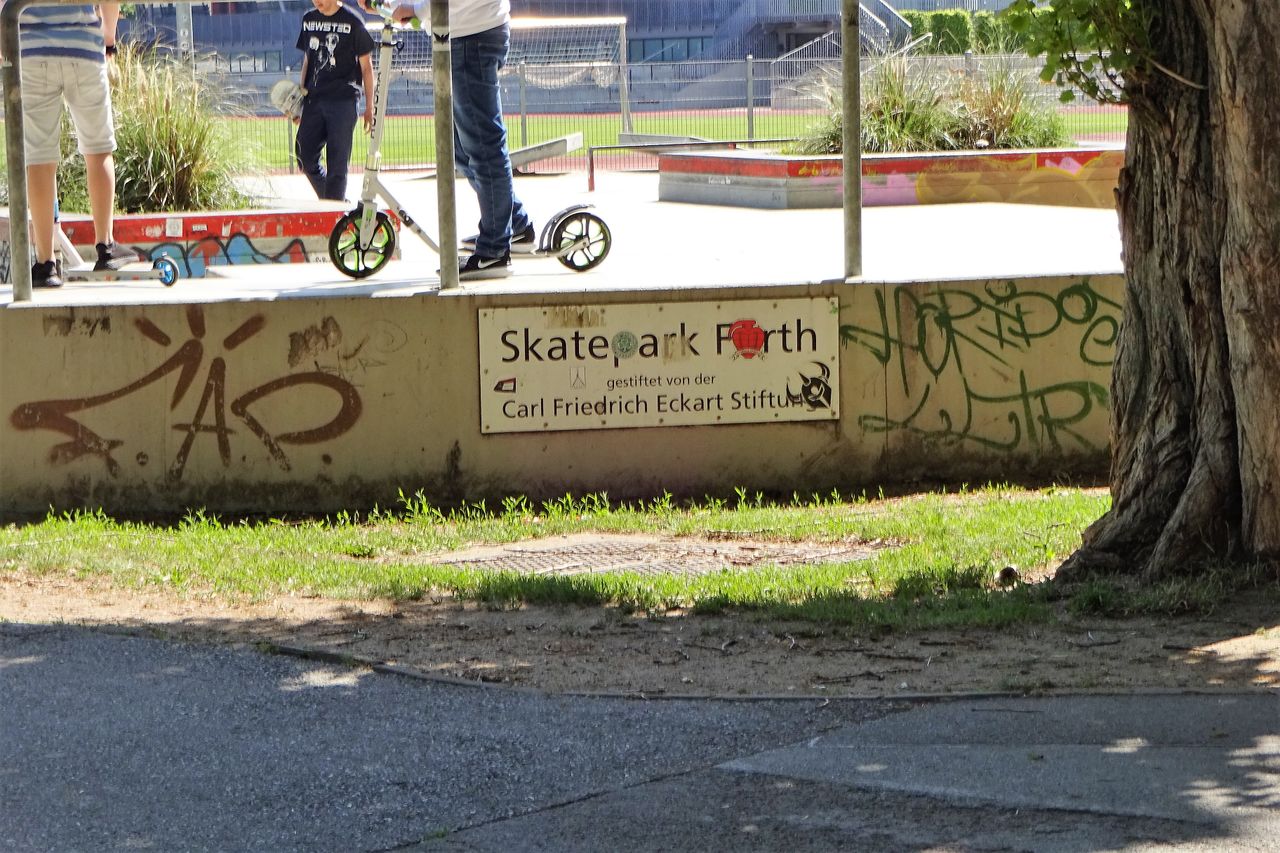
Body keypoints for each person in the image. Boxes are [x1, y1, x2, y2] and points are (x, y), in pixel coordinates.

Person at [384, 0, 534, 280]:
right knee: (463, 149)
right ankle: (513, 225)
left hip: (472, 35)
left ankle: (495, 250)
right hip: (463, 34)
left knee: (483, 147)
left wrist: (417, 11)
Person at [9, 1, 136, 289]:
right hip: (83, 47)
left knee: (39, 158)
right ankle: (105, 245)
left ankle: (45, 263)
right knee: (98, 149)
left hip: (31, 50)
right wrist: (108, 38)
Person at [294, 0, 375, 201]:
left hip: (343, 102)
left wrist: (369, 107)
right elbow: (307, 60)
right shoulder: (309, 19)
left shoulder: (353, 21)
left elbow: (366, 67)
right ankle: (335, 204)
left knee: (337, 166)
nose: (317, 1)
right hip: (314, 99)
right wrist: (298, 101)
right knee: (304, 155)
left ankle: (334, 209)